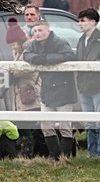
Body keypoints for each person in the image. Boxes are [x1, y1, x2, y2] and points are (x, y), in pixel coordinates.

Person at [22, 20, 77, 160]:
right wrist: (38, 59)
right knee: (45, 124)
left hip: (64, 89)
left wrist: (46, 59)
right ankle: (54, 156)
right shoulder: (34, 44)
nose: (37, 34)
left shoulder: (59, 42)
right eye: (35, 31)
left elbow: (70, 55)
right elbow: (26, 55)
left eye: (40, 30)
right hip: (47, 89)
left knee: (65, 126)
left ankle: (65, 157)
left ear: (48, 30)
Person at [75, 7, 100, 157]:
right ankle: (92, 152)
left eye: (83, 21)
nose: (80, 23)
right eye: (79, 21)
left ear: (93, 22)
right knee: (89, 121)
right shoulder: (81, 40)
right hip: (84, 87)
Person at [5, 17, 44, 158]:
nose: (12, 47)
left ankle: (28, 154)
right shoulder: (18, 52)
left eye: (14, 44)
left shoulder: (29, 50)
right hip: (22, 94)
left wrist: (10, 71)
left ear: (20, 41)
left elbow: (22, 70)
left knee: (28, 126)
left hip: (30, 92)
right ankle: (28, 154)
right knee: (25, 125)